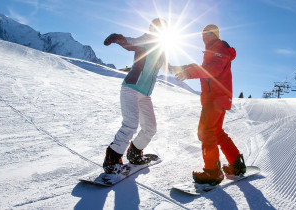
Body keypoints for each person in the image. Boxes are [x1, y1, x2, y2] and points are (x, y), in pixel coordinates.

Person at [171, 24, 246, 185]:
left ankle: (212, 172)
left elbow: (213, 69)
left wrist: (189, 72)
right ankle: (236, 164)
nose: (205, 36)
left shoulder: (219, 48)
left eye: (209, 33)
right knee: (216, 132)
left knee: (205, 132)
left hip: (215, 99)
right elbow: (205, 68)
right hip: (217, 98)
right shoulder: (214, 50)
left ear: (216, 35)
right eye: (203, 33)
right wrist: (185, 68)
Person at [102, 18, 172, 174]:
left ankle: (134, 152)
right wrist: (118, 38)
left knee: (150, 128)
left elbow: (170, 68)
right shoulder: (146, 39)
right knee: (130, 124)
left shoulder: (162, 51)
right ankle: (112, 159)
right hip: (131, 88)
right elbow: (130, 42)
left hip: (145, 95)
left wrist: (186, 70)